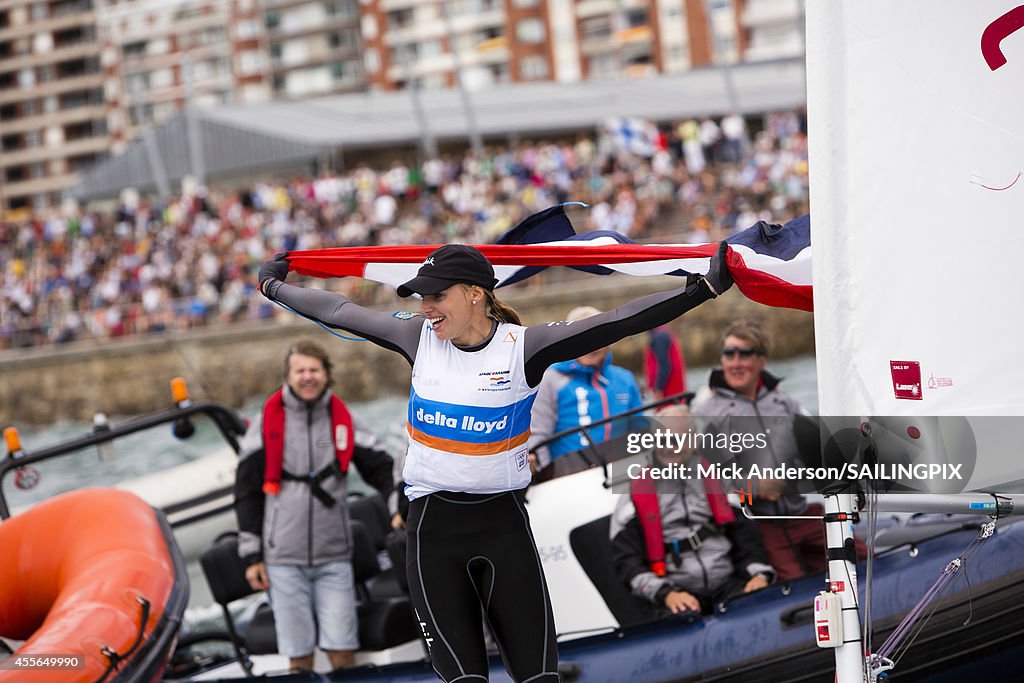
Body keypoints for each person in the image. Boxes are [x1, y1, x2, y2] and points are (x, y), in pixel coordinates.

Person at [257, 239, 733, 683]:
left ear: (474, 294)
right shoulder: (417, 338)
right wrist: (274, 286)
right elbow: (340, 310)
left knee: (541, 678)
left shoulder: (523, 347)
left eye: (436, 296)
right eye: (420, 297)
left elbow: (618, 321)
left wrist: (703, 289)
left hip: (503, 526)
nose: (425, 308)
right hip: (431, 536)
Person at [234, 339, 396, 672]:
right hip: (283, 560)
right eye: (301, 371)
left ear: (326, 374)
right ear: (288, 376)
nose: (308, 377)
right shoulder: (266, 424)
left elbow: (383, 468)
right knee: (299, 657)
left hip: (334, 556)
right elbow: (246, 491)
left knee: (343, 650)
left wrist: (398, 507)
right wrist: (252, 556)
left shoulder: (344, 419)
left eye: (314, 370)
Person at [691, 320, 838, 581]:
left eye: (744, 354)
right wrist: (753, 486)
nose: (735, 363)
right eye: (729, 354)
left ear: (761, 360)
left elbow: (822, 452)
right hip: (757, 525)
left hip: (803, 514)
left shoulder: (785, 404)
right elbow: (697, 479)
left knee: (859, 559)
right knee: (792, 581)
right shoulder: (705, 414)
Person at [611, 404, 774, 615]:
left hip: (728, 583)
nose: (671, 447)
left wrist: (759, 575)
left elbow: (748, 538)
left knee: (760, 603)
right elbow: (627, 562)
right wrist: (666, 594)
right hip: (673, 593)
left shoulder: (718, 480)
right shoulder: (633, 495)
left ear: (694, 440)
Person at [528, 305, 644, 469]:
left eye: (598, 338)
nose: (590, 346)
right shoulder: (549, 380)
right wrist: (546, 476)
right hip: (568, 479)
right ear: (568, 342)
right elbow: (537, 436)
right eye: (581, 339)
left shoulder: (625, 378)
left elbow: (641, 430)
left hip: (622, 473)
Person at [645, 324, 687, 401]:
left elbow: (664, 365)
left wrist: (658, 389)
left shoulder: (659, 337)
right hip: (673, 394)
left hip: (668, 394)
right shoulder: (662, 334)